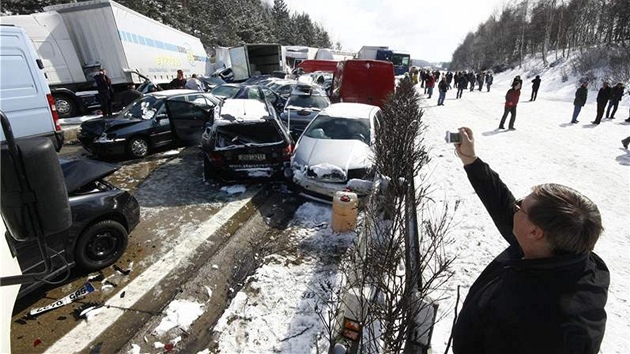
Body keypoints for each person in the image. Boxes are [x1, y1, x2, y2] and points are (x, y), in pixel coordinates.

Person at [451, 127, 609, 354]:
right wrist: (471, 160)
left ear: (535, 231)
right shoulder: (558, 252)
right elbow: (503, 207)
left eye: (519, 207)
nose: (514, 206)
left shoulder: (554, 328)